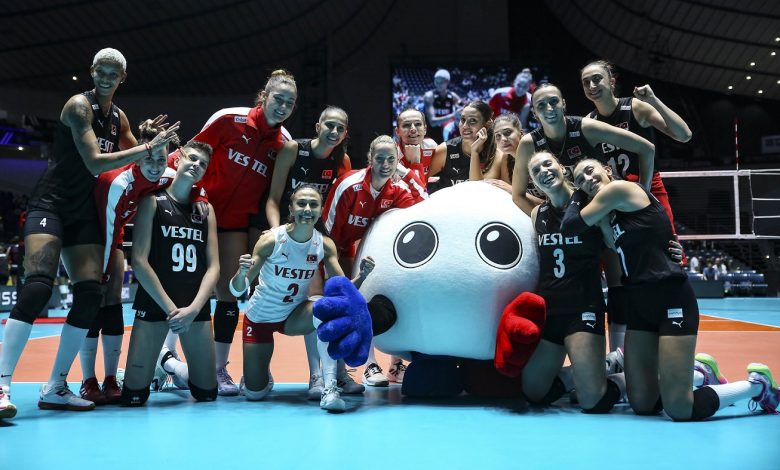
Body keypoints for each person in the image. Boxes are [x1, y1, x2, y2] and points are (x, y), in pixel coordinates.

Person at [0, 48, 179, 418]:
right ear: (92, 71)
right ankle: (1, 384)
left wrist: (156, 144)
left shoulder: (118, 117)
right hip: (51, 205)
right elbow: (95, 162)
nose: (106, 78)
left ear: (122, 78)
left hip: (85, 214)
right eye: (101, 71)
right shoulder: (78, 107)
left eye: (114, 74)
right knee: (37, 287)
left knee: (89, 295)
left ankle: (56, 386)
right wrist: (146, 147)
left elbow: (140, 157)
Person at [560, 158, 780, 420]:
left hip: (670, 298)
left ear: (607, 170)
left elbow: (570, 226)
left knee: (679, 409)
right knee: (642, 404)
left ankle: (757, 387)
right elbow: (620, 242)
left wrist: (576, 192)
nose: (587, 179)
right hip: (638, 304)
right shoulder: (610, 216)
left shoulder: (621, 189)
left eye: (589, 171)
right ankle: (700, 374)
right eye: (580, 179)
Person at [511, 83, 655, 353]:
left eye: (553, 102)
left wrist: (643, 194)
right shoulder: (530, 143)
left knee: (621, 283)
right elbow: (517, 195)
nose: (549, 109)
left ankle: (619, 355)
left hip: (603, 216)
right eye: (541, 105)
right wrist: (555, 215)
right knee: (572, 288)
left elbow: (646, 148)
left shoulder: (585, 127)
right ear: (534, 112)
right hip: (572, 226)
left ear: (564, 103)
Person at [181, 69, 297, 396]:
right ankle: (166, 355)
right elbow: (190, 155)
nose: (282, 106)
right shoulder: (229, 119)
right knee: (183, 288)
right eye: (278, 99)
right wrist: (194, 194)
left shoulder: (283, 144)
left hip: (234, 223)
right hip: (196, 211)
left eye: (289, 103)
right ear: (264, 97)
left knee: (229, 294)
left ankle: (219, 368)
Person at [80, 119, 203, 405]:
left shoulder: (166, 175)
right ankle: (88, 380)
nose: (156, 165)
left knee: (112, 300)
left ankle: (111, 379)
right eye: (149, 158)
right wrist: (101, 275)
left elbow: (190, 184)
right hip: (91, 232)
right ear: (138, 155)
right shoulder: (116, 181)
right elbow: (107, 230)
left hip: (115, 232)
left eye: (161, 159)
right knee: (94, 298)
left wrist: (199, 197)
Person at [231, 185, 375, 411]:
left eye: (313, 204)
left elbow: (345, 291)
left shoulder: (323, 244)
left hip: (294, 316)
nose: (307, 209)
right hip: (260, 318)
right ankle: (259, 376)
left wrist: (362, 276)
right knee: (254, 394)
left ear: (320, 210)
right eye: (301, 203)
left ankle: (330, 388)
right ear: (291, 208)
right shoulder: (271, 240)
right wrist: (241, 273)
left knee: (325, 307)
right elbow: (236, 290)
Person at [515, 151, 624, 413]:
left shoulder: (591, 205)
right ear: (533, 182)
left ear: (562, 169)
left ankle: (629, 377)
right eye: (536, 171)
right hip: (551, 311)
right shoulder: (537, 214)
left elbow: (618, 244)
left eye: (548, 164)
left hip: (583, 308)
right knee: (533, 393)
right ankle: (596, 368)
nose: (544, 171)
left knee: (591, 401)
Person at [264, 106, 357, 400]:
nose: (334, 131)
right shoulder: (293, 150)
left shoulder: (341, 160)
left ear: (345, 133)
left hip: (319, 238)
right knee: (304, 303)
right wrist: (278, 236)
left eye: (340, 128)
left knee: (329, 302)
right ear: (318, 126)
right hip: (287, 236)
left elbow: (340, 201)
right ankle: (315, 374)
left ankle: (337, 373)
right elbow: (273, 199)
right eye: (329, 125)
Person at [120, 141, 219, 407]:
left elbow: (214, 267)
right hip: (156, 302)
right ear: (178, 160)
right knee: (134, 397)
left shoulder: (206, 211)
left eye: (203, 164)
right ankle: (158, 364)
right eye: (193, 158)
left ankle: (169, 364)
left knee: (207, 393)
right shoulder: (152, 201)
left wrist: (193, 309)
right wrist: (173, 311)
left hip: (193, 305)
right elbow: (139, 261)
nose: (197, 165)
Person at [322, 135, 427, 385]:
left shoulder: (397, 190)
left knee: (376, 300)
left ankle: (385, 366)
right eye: (380, 159)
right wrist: (334, 273)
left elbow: (424, 206)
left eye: (391, 159)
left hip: (365, 253)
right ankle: (337, 374)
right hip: (335, 248)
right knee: (338, 306)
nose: (385, 164)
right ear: (370, 159)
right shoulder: (349, 185)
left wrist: (407, 171)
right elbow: (327, 233)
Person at [581, 60, 692, 232]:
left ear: (612, 82)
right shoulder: (589, 122)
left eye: (597, 79)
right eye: (586, 82)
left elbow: (684, 135)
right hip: (615, 194)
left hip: (649, 187)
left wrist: (654, 101)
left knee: (666, 242)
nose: (591, 86)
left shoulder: (634, 107)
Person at [429, 100, 497, 193]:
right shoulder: (445, 150)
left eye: (473, 120)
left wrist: (474, 151)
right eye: (463, 120)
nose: (465, 126)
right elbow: (421, 180)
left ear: (487, 124)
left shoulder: (496, 153)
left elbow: (478, 190)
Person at [469, 112, 523, 184]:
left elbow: (509, 188)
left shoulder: (533, 150)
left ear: (521, 133)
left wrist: (510, 189)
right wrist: (474, 150)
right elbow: (477, 184)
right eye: (498, 136)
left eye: (508, 132)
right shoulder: (506, 157)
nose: (503, 139)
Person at [395, 108, 438, 191]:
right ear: (397, 131)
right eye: (406, 125)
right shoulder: (392, 155)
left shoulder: (432, 146)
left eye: (418, 124)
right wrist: (415, 162)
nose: (413, 129)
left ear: (425, 129)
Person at [423, 69, 462, 144]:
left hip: (447, 134)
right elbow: (432, 122)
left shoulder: (453, 96)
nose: (438, 84)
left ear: (447, 82)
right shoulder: (429, 96)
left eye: (441, 82)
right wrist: (453, 115)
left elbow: (463, 109)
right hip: (430, 135)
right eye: (436, 82)